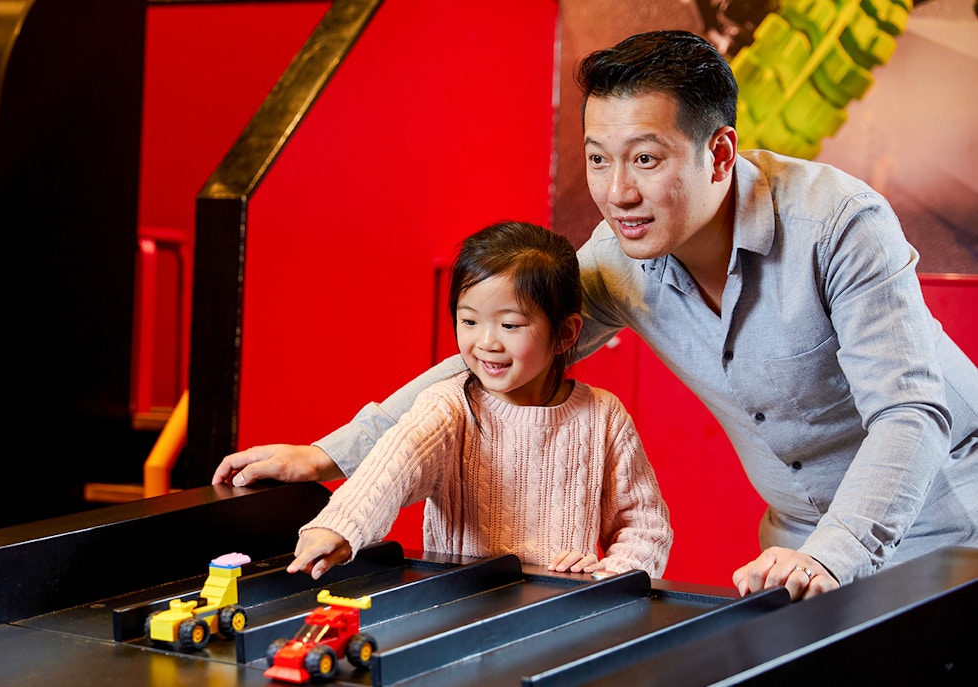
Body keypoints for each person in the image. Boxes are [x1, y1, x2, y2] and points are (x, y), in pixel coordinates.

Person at [215, 30, 978, 601]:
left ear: (720, 153)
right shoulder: (620, 257)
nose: (616, 191)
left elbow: (910, 415)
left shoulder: (839, 223)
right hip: (798, 542)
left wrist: (834, 551)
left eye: (644, 158)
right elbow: (504, 353)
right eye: (598, 158)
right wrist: (334, 452)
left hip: (949, 511)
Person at [286, 221, 672, 580]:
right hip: (460, 615)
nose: (486, 342)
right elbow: (391, 468)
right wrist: (338, 523)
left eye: (510, 325)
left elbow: (645, 526)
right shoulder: (448, 406)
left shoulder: (604, 417)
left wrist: (604, 579)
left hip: (561, 623)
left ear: (566, 333)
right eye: (469, 321)